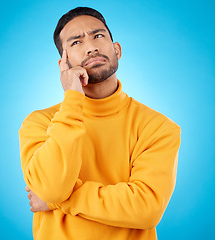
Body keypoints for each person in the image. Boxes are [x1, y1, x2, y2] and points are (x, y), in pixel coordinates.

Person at [19, 7, 181, 240]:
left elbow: (147, 208)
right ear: (64, 63)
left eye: (98, 36)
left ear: (117, 49)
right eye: (76, 43)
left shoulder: (158, 127)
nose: (91, 46)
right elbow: (52, 188)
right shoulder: (40, 123)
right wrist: (73, 99)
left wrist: (59, 201)